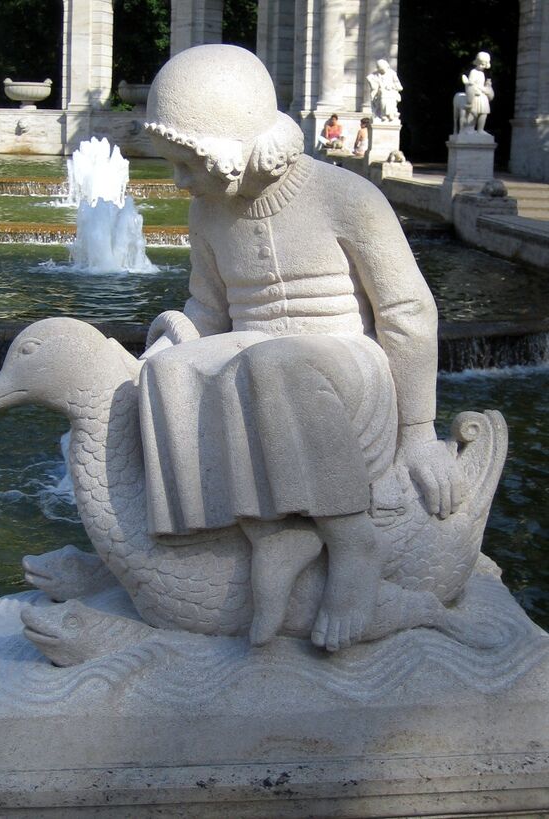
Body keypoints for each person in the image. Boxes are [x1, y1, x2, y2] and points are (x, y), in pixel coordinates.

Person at [143, 45, 463, 653]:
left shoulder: (345, 196)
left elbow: (408, 313)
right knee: (169, 370)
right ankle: (271, 534)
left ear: (232, 147)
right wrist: (171, 344)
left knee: (274, 360)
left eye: (187, 163)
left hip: (350, 383)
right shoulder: (206, 213)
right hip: (258, 374)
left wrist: (419, 434)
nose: (179, 180)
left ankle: (353, 542)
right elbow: (207, 310)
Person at [462, 52, 494, 133]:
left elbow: (481, 85)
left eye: (484, 65)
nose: (482, 66)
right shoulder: (473, 72)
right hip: (475, 95)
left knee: (484, 113)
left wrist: (486, 86)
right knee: (474, 113)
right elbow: (470, 84)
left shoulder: (482, 73)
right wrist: (477, 89)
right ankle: (470, 128)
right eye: (481, 64)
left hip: (482, 96)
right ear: (477, 62)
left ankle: (480, 129)